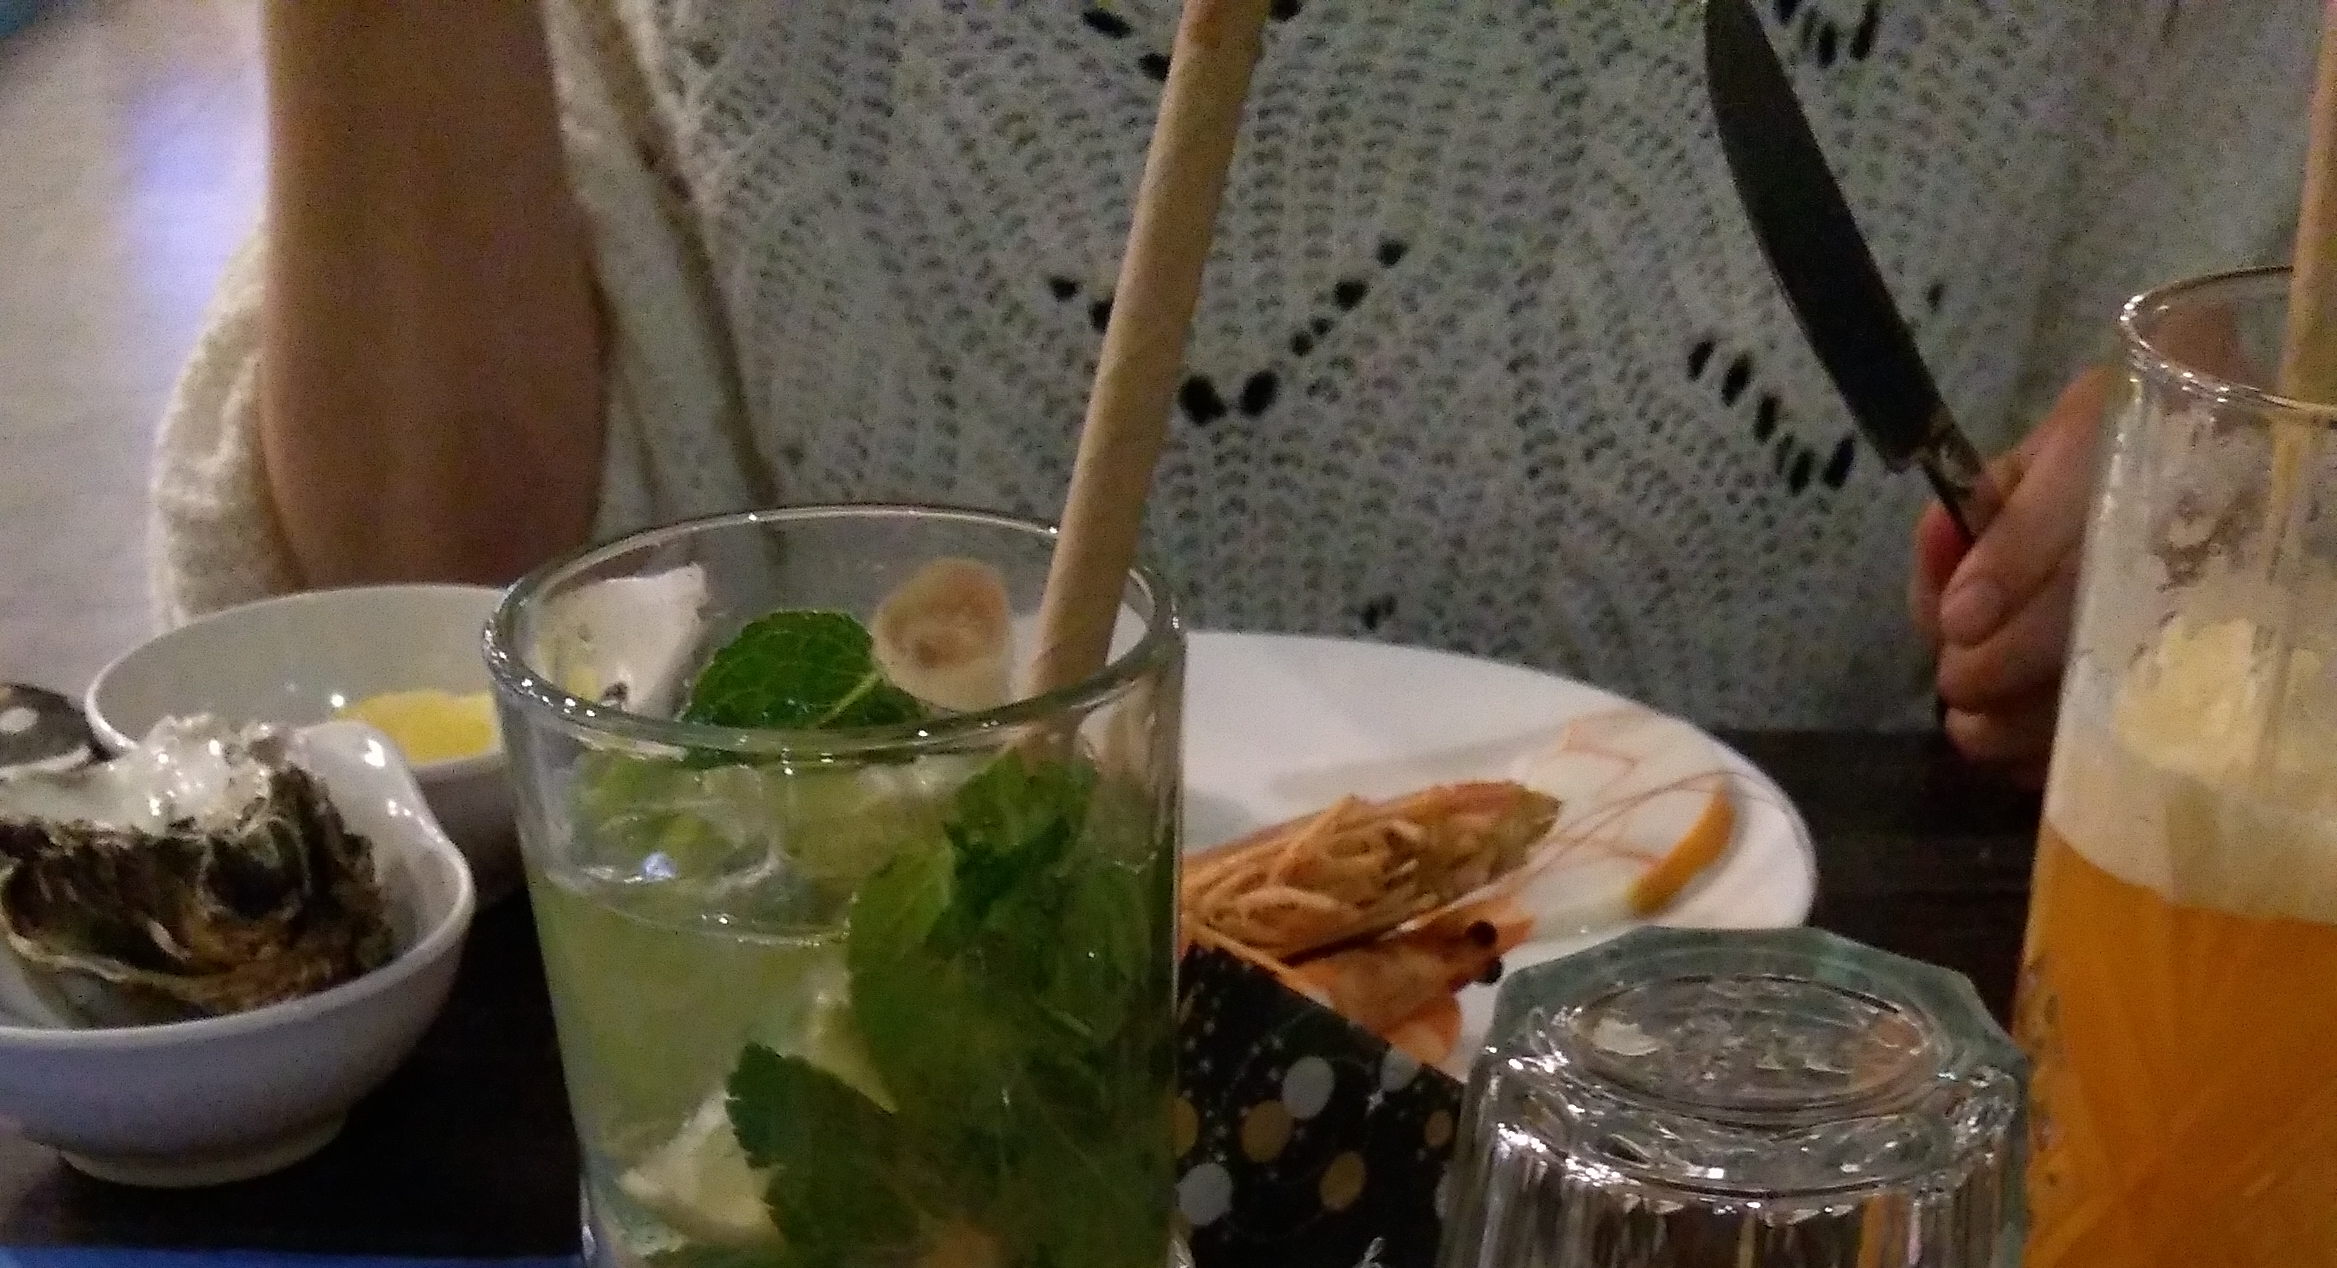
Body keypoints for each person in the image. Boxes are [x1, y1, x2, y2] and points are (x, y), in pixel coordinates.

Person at [153, 0, 2314, 771]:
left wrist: (2234, 485)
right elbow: (421, 612)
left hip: (1799, 1144)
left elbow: (2257, 354)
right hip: (872, 1146)